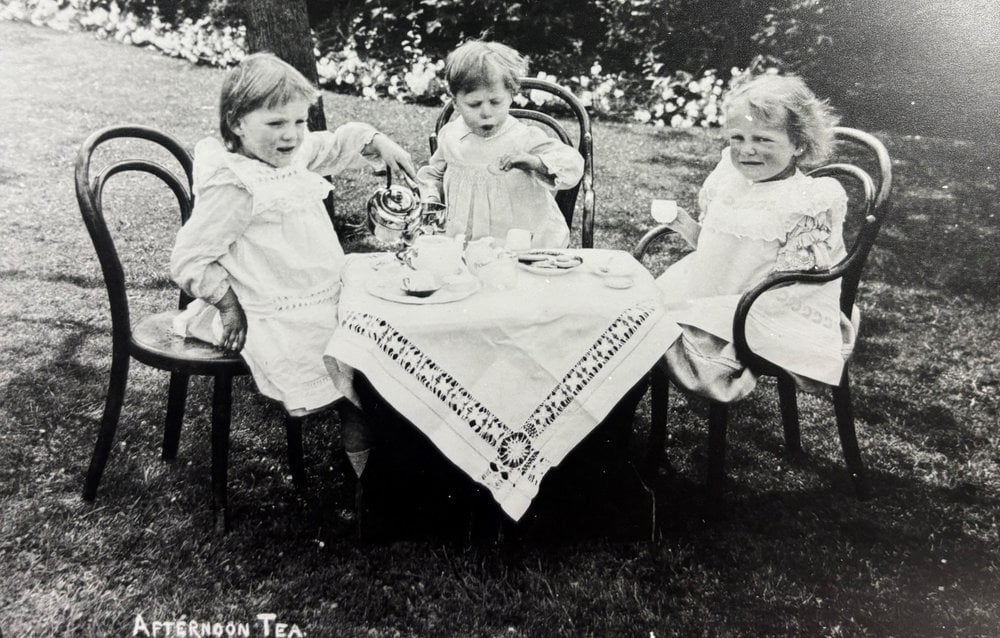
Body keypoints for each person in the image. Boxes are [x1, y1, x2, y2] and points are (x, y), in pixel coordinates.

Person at [170, 52, 417, 477]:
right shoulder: (236, 184)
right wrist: (227, 304)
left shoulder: (292, 154)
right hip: (271, 310)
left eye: (300, 121)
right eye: (277, 124)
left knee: (386, 331)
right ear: (236, 123)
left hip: (320, 294)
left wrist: (377, 140)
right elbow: (190, 258)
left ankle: (396, 459)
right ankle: (368, 482)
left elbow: (337, 141)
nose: (293, 135)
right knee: (355, 368)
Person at [655, 73, 856, 402]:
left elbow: (800, 277)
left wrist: (724, 307)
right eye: (738, 138)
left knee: (658, 330)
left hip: (766, 304)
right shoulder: (729, 179)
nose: (747, 150)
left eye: (763, 139)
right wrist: (687, 226)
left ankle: (704, 365)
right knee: (634, 317)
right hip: (714, 286)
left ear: (799, 144)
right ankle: (616, 417)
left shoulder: (807, 201)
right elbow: (718, 249)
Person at [416, 40, 584, 248]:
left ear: (511, 96)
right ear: (455, 101)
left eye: (495, 102)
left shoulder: (523, 137)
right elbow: (435, 173)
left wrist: (534, 162)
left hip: (522, 241)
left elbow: (572, 164)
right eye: (474, 104)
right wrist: (432, 194)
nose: (486, 112)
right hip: (465, 240)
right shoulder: (451, 135)